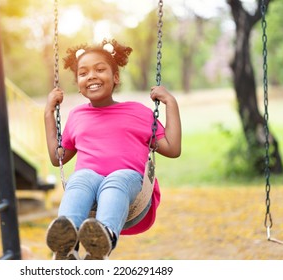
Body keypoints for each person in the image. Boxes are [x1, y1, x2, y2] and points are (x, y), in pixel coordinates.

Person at [44, 39, 181, 260]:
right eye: (83, 73)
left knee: (116, 180)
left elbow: (172, 148)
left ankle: (102, 240)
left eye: (100, 69)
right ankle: (66, 244)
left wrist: (170, 103)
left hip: (128, 180)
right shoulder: (77, 116)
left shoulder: (138, 112)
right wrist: (48, 113)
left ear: (115, 77)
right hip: (89, 181)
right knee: (80, 179)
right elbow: (56, 157)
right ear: (78, 84)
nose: (91, 76)